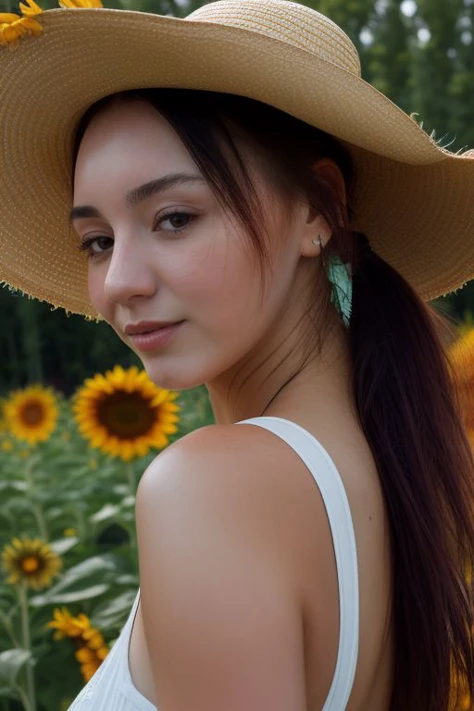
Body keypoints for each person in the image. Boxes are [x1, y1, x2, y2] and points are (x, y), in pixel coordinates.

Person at [2, 0, 474, 709]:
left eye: (174, 218)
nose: (120, 282)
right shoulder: (384, 471)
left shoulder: (210, 490)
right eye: (97, 240)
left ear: (319, 208)